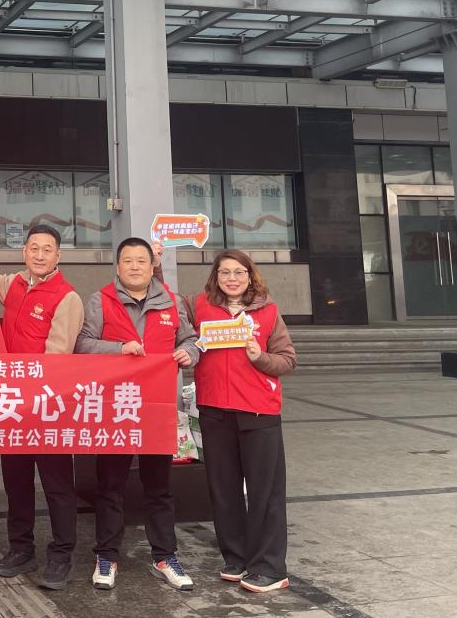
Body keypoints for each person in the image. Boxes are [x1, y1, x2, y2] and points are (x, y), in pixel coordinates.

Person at [75, 237, 199, 591]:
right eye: (127, 260)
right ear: (117, 266)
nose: (134, 266)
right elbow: (81, 344)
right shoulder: (100, 301)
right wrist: (118, 349)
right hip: (116, 409)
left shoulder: (172, 302)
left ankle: (165, 556)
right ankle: (106, 555)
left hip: (157, 409)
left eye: (141, 261)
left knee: (159, 487)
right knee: (110, 485)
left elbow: (191, 339)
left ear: (151, 265)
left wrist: (190, 353)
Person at [185, 250, 297, 594]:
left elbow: (287, 359)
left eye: (238, 272)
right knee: (224, 489)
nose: (231, 278)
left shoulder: (268, 311)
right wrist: (156, 264)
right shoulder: (199, 306)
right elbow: (165, 305)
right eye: (224, 272)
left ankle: (270, 567)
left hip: (258, 411)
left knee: (265, 492)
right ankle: (236, 558)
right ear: (215, 277)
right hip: (214, 409)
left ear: (250, 276)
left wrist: (259, 357)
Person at [0, 223, 83, 591]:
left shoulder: (67, 297)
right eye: (34, 248)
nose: (40, 255)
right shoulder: (13, 285)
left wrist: (31, 394)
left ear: (58, 256)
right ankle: (21, 549)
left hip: (47, 406)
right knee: (17, 481)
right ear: (24, 252)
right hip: (13, 406)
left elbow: (57, 357)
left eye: (47, 249)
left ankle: (61, 555)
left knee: (57, 485)